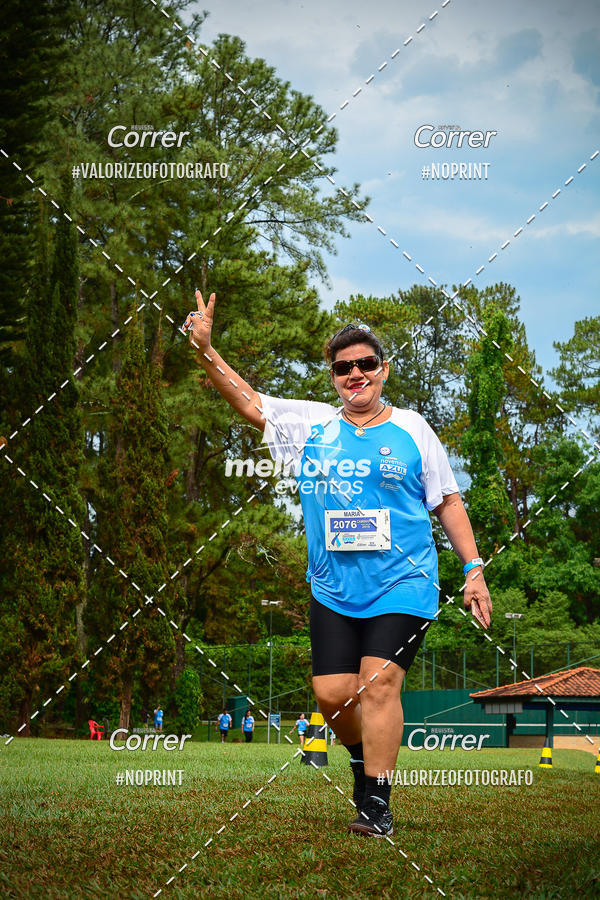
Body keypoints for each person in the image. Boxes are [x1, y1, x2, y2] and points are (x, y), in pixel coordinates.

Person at [182, 291, 492, 837]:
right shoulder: (313, 425)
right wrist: (206, 350)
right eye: (344, 367)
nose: (355, 374)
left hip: (405, 581)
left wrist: (473, 570)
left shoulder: (414, 429)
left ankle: (377, 804)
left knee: (378, 683)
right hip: (333, 588)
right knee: (331, 694)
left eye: (365, 364)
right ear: (333, 377)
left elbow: (447, 501)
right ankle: (362, 762)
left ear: (383, 370)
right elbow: (249, 401)